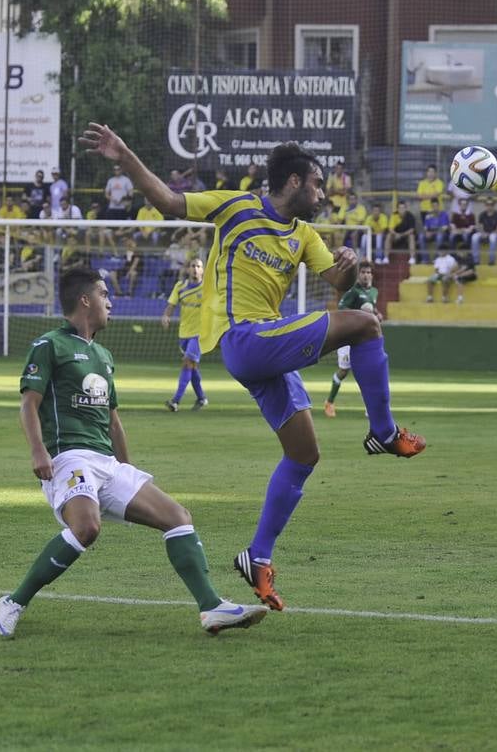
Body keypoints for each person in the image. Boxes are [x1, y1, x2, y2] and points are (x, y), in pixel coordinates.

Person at [80, 122, 426, 612]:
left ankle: (256, 557)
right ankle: (384, 432)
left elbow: (337, 280)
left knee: (304, 454)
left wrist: (347, 265)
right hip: (244, 338)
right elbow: (169, 203)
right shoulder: (237, 206)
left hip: (267, 347)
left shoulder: (304, 235)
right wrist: (124, 153)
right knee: (367, 325)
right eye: (317, 184)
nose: (323, 194)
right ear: (292, 183)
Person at [0, 266, 268, 639]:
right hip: (68, 457)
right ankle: (13, 602)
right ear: (85, 300)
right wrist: (38, 452)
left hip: (106, 462)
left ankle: (211, 608)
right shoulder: (49, 345)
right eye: (104, 295)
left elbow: (113, 420)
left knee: (177, 516)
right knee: (86, 528)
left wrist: (126, 469)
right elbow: (29, 404)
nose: (111, 302)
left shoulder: (104, 355)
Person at [324, 261, 380, 418]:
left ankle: (371, 408)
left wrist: (377, 314)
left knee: (366, 371)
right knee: (343, 372)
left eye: (369, 272)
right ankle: (329, 402)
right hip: (347, 337)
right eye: (363, 272)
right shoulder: (353, 291)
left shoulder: (374, 291)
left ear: (372, 275)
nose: (366, 275)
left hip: (363, 339)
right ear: (358, 274)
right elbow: (342, 309)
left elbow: (372, 309)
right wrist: (359, 313)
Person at [161, 257, 209, 413]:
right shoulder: (180, 287)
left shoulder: (208, 288)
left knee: (187, 362)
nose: (195, 269)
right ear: (188, 269)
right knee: (192, 367)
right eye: (193, 266)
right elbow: (171, 305)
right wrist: (166, 315)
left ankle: (175, 401)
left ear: (203, 270)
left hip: (200, 333)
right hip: (184, 333)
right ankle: (202, 398)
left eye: (198, 266)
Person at [472, 199, 497, 265]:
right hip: (484, 233)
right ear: (485, 205)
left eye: (491, 205)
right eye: (488, 205)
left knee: (492, 237)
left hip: (495, 234)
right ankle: (476, 260)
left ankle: (491, 260)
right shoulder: (482, 215)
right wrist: (483, 233)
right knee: (474, 237)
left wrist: (490, 234)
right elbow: (480, 226)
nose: (489, 206)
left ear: (494, 206)